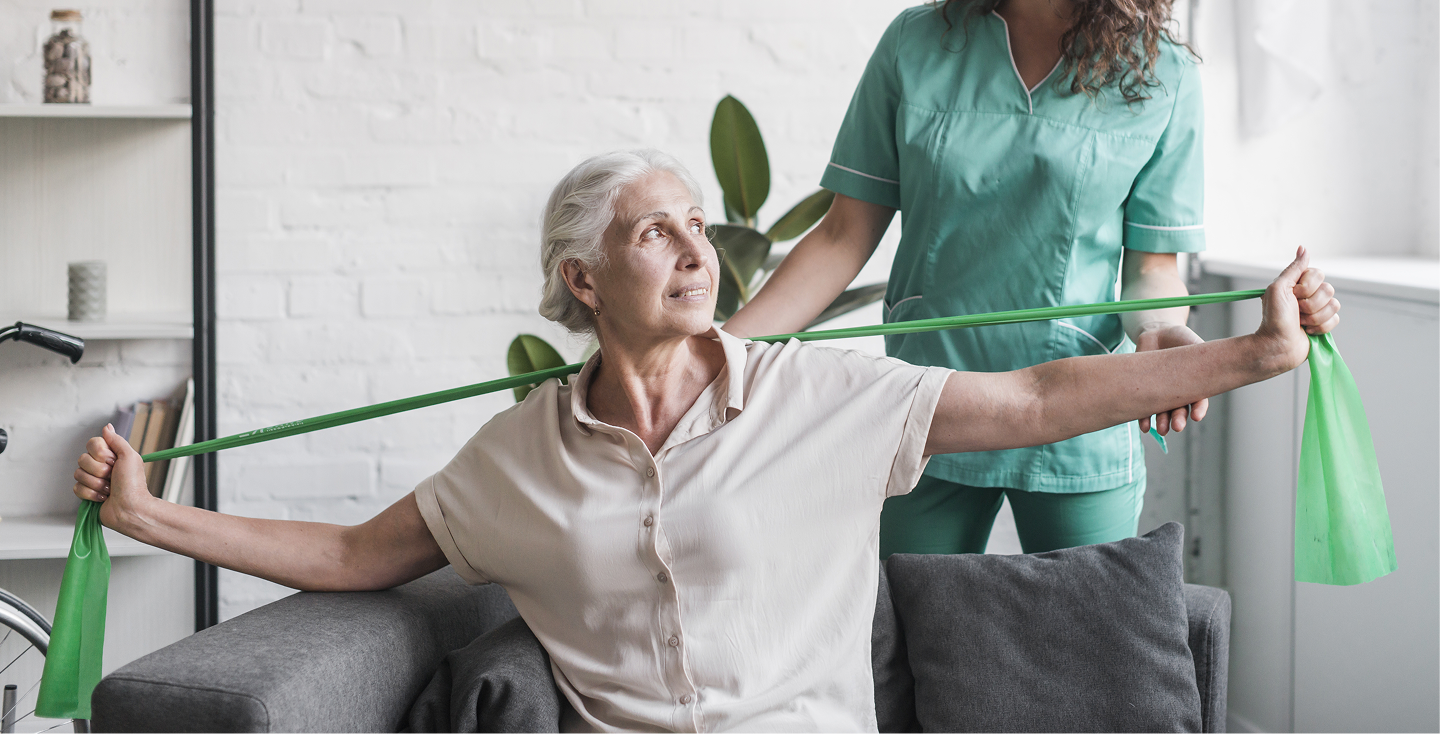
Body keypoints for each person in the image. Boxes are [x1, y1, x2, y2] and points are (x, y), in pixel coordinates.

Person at [74, 150, 1337, 733]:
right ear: (581, 278)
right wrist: (147, 512)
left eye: (696, 223)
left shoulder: (810, 395)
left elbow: (1037, 400)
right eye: (653, 232)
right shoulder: (517, 457)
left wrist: (1253, 350)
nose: (694, 249)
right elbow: (357, 551)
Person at [723, 0, 1260, 557]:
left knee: (1087, 635)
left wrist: (1159, 334)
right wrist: (716, 352)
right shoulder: (917, 41)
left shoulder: (1161, 72)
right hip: (927, 407)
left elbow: (1153, 268)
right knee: (915, 636)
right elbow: (841, 237)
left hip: (1082, 418)